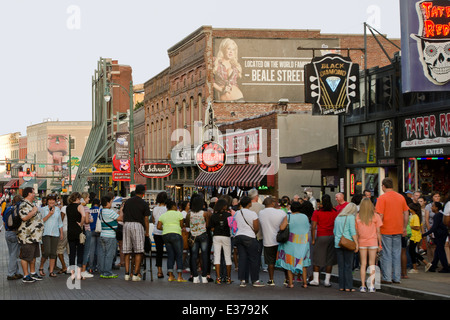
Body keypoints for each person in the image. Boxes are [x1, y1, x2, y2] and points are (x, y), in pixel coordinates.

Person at [375, 178, 409, 284]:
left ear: (383, 186)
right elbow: (406, 213)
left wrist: (377, 229)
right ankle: (397, 277)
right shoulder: (400, 197)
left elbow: (380, 215)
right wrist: (404, 227)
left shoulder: (382, 198)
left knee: (386, 254)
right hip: (398, 229)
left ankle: (387, 277)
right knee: (396, 253)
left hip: (386, 229)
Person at [275, 201, 311, 288]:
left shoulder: (288, 216)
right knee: (303, 263)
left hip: (290, 243)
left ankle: (290, 283)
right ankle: (305, 283)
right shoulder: (305, 217)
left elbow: (282, 227)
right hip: (303, 243)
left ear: (291, 208)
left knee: (289, 262)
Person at [233, 196, 264, 287]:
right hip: (250, 236)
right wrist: (253, 233)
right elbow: (256, 227)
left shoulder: (237, 213)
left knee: (242, 258)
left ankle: (242, 280)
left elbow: (235, 224)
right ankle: (255, 280)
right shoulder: (253, 214)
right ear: (249, 203)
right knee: (253, 259)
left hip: (239, 236)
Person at [122, 184, 151, 281]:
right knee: (138, 251)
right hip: (137, 225)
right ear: (143, 193)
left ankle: (126, 274)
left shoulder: (128, 201)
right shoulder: (144, 203)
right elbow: (146, 219)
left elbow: (124, 213)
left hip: (126, 225)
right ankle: (135, 274)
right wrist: (147, 232)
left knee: (127, 251)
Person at [17, 187, 45, 283]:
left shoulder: (31, 204)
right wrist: (33, 212)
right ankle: (26, 275)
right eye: (33, 193)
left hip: (34, 236)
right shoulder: (24, 204)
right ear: (29, 194)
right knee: (25, 256)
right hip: (27, 236)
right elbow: (24, 217)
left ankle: (32, 273)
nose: (34, 195)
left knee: (33, 256)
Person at [310, 194, 338, 287]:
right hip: (331, 236)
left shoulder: (317, 213)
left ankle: (315, 279)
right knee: (329, 259)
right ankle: (327, 280)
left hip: (321, 236)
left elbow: (313, 227)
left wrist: (313, 239)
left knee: (317, 258)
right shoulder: (334, 212)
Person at [355, 198, 382, 292]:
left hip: (362, 242)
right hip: (373, 241)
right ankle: (371, 285)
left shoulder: (358, 216)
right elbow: (378, 232)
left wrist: (356, 243)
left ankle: (362, 285)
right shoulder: (376, 216)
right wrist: (380, 244)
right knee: (372, 264)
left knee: (363, 264)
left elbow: (356, 232)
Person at [258, 196, 286, 286]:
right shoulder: (281, 212)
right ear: (273, 203)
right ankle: (287, 279)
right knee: (284, 260)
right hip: (280, 240)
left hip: (268, 241)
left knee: (270, 262)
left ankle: (271, 279)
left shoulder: (261, 213)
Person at [157, 199, 186, 282]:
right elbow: (181, 225)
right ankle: (179, 277)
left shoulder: (163, 215)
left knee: (170, 255)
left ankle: (170, 276)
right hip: (176, 234)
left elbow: (158, 227)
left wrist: (166, 228)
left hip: (166, 235)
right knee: (179, 255)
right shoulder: (178, 214)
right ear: (173, 206)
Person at [333, 203, 358, 292]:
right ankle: (348, 286)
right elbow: (353, 231)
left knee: (341, 266)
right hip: (348, 243)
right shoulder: (350, 217)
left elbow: (334, 231)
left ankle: (341, 285)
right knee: (348, 265)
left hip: (338, 243)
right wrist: (356, 243)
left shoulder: (338, 217)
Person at [187, 195, 210, 284]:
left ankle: (195, 276)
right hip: (203, 235)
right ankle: (204, 276)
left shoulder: (189, 214)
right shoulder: (205, 213)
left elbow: (188, 225)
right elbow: (207, 224)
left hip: (193, 236)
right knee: (204, 256)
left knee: (194, 256)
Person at [38, 195, 63, 278]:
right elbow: (41, 221)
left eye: (53, 200)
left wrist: (61, 233)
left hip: (55, 233)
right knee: (47, 251)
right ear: (47, 201)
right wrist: (49, 214)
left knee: (53, 253)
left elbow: (60, 222)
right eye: (50, 200)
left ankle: (51, 271)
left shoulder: (58, 210)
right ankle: (41, 267)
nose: (51, 202)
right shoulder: (43, 209)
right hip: (46, 233)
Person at [98, 196, 122, 279]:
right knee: (109, 255)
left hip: (102, 235)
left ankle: (102, 271)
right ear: (107, 203)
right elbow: (120, 218)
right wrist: (121, 210)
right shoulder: (109, 211)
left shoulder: (101, 211)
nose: (111, 203)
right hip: (110, 236)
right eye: (111, 202)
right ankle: (107, 272)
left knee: (103, 254)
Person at [209, 198, 232, 284]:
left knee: (217, 256)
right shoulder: (228, 215)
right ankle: (228, 278)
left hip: (216, 236)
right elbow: (231, 226)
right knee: (227, 257)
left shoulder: (213, 216)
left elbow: (211, 227)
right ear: (224, 206)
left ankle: (218, 278)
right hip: (226, 236)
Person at [422, 202, 449, 273]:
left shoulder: (437, 216)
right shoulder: (440, 215)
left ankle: (446, 267)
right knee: (438, 251)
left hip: (440, 235)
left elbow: (434, 227)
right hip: (442, 234)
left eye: (433, 206)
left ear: (436, 208)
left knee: (440, 251)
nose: (431, 208)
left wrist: (426, 234)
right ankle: (433, 266)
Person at [2, 195, 23, 280]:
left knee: (12, 253)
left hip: (7, 233)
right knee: (14, 255)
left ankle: (16, 272)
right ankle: (11, 274)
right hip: (15, 233)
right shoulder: (19, 210)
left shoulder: (8, 209)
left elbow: (4, 222)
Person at [66, 192, 86, 281]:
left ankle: (72, 273)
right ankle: (79, 273)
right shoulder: (80, 206)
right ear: (78, 198)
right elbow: (84, 216)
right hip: (78, 232)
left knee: (72, 253)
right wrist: (81, 224)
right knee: (80, 252)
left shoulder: (68, 207)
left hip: (70, 231)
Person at [408, 202, 431, 273]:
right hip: (414, 236)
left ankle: (423, 264)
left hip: (414, 236)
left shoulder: (415, 216)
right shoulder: (415, 216)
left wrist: (409, 226)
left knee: (412, 251)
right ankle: (419, 265)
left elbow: (417, 227)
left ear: (412, 209)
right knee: (412, 251)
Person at [152, 191, 168, 279]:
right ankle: (170, 271)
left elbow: (154, 221)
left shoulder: (155, 208)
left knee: (159, 252)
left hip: (156, 231)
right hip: (165, 231)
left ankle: (159, 271)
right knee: (170, 250)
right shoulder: (166, 209)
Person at [80, 192, 94, 279]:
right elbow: (87, 221)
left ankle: (80, 269)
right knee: (86, 251)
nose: (89, 199)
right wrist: (91, 220)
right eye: (88, 198)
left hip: (81, 231)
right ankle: (83, 270)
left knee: (81, 251)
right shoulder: (86, 209)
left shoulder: (79, 207)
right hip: (87, 230)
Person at [56, 195, 69, 274]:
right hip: (70, 230)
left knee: (59, 249)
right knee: (69, 249)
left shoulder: (64, 208)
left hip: (64, 230)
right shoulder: (71, 207)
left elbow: (61, 220)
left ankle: (64, 266)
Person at [88, 198, 101, 273]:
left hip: (91, 230)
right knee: (99, 250)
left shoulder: (89, 210)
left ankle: (90, 267)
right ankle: (97, 267)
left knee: (91, 250)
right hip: (98, 231)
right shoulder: (100, 210)